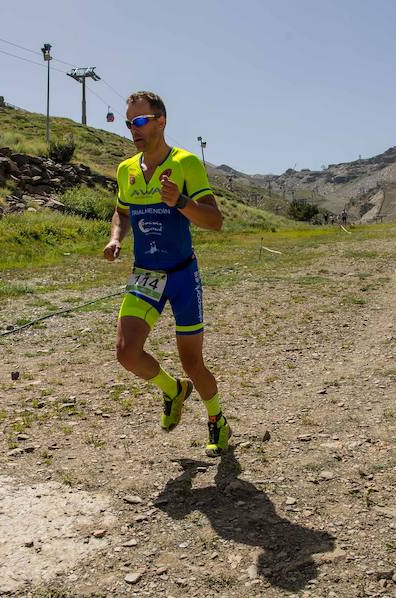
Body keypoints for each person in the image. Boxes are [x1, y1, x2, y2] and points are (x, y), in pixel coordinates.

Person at [103, 91, 231, 457]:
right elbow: (122, 212)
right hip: (145, 273)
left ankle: (216, 419)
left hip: (181, 274)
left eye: (140, 121)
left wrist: (181, 202)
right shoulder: (126, 170)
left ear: (161, 121)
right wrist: (115, 239)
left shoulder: (186, 163)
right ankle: (173, 389)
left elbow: (215, 221)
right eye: (130, 122)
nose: (133, 129)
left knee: (193, 361)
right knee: (127, 354)